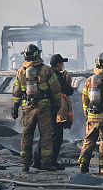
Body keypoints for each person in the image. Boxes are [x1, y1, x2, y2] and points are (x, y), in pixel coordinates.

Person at [11, 44, 62, 172]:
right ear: (38, 54)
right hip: (44, 106)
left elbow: (16, 91)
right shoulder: (47, 70)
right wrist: (57, 105)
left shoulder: (21, 71)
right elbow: (56, 89)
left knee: (27, 135)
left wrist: (15, 107)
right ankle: (46, 163)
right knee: (46, 135)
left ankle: (25, 163)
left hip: (27, 107)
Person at [79, 52, 103, 173]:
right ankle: (102, 166)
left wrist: (86, 112)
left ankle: (83, 164)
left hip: (92, 116)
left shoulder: (90, 80)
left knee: (89, 141)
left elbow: (85, 98)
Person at [48, 54, 75, 169]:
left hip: (48, 110)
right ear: (58, 64)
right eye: (61, 63)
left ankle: (41, 160)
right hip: (56, 110)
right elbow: (68, 90)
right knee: (57, 137)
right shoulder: (57, 76)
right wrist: (68, 84)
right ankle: (52, 161)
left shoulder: (48, 74)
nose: (63, 65)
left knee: (47, 136)